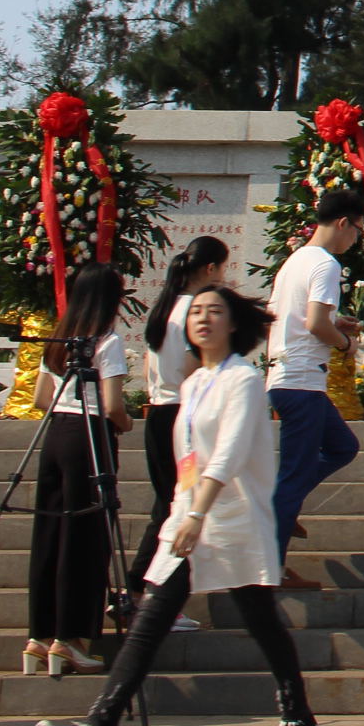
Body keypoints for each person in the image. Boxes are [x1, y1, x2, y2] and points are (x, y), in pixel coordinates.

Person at [35, 285, 318, 726]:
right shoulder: (193, 383)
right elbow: (189, 458)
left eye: (215, 311)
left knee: (261, 620)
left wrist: (198, 514)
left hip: (232, 519)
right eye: (196, 312)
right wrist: (182, 512)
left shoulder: (243, 380)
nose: (203, 319)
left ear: (234, 323)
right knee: (149, 623)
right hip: (189, 519)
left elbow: (229, 454)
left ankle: (297, 713)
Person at [25, 262, 130, 678]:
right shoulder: (107, 341)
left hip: (55, 435)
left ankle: (39, 636)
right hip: (89, 438)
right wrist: (126, 423)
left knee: (50, 533)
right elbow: (112, 405)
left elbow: (40, 398)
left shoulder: (59, 339)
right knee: (85, 538)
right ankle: (71, 639)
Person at [267, 193, 364, 584]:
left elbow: (292, 317)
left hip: (290, 378)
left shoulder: (294, 261)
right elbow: (314, 324)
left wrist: (335, 323)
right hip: (301, 381)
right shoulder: (325, 263)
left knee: (343, 447)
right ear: (343, 223)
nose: (356, 239)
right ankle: (271, 566)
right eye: (358, 230)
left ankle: (283, 506)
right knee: (293, 476)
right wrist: (345, 344)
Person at [128, 237, 227, 617]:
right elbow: (191, 369)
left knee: (170, 503)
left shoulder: (166, 307)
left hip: (159, 414)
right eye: (222, 268)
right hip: (182, 423)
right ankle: (145, 592)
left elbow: (148, 368)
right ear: (210, 269)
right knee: (179, 505)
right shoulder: (193, 310)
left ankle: (144, 591)